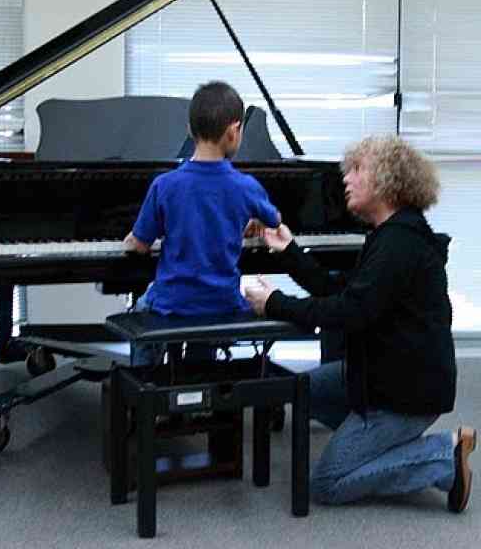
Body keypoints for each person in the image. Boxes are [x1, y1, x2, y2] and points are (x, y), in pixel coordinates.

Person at [245, 135, 477, 513]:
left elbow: (346, 313)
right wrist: (289, 251)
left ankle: (442, 458)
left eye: (356, 170)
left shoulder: (400, 244)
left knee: (328, 483)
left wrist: (274, 302)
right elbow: (341, 292)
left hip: (403, 394)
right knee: (297, 390)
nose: (346, 180)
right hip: (375, 374)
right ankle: (388, 448)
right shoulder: (390, 234)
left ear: (388, 180)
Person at [124, 80, 281, 365]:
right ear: (234, 132)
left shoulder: (165, 185)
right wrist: (254, 218)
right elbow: (275, 219)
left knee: (141, 308)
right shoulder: (246, 186)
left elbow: (140, 245)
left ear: (189, 130)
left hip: (172, 302)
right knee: (210, 317)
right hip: (222, 302)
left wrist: (131, 240)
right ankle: (201, 378)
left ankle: (145, 382)